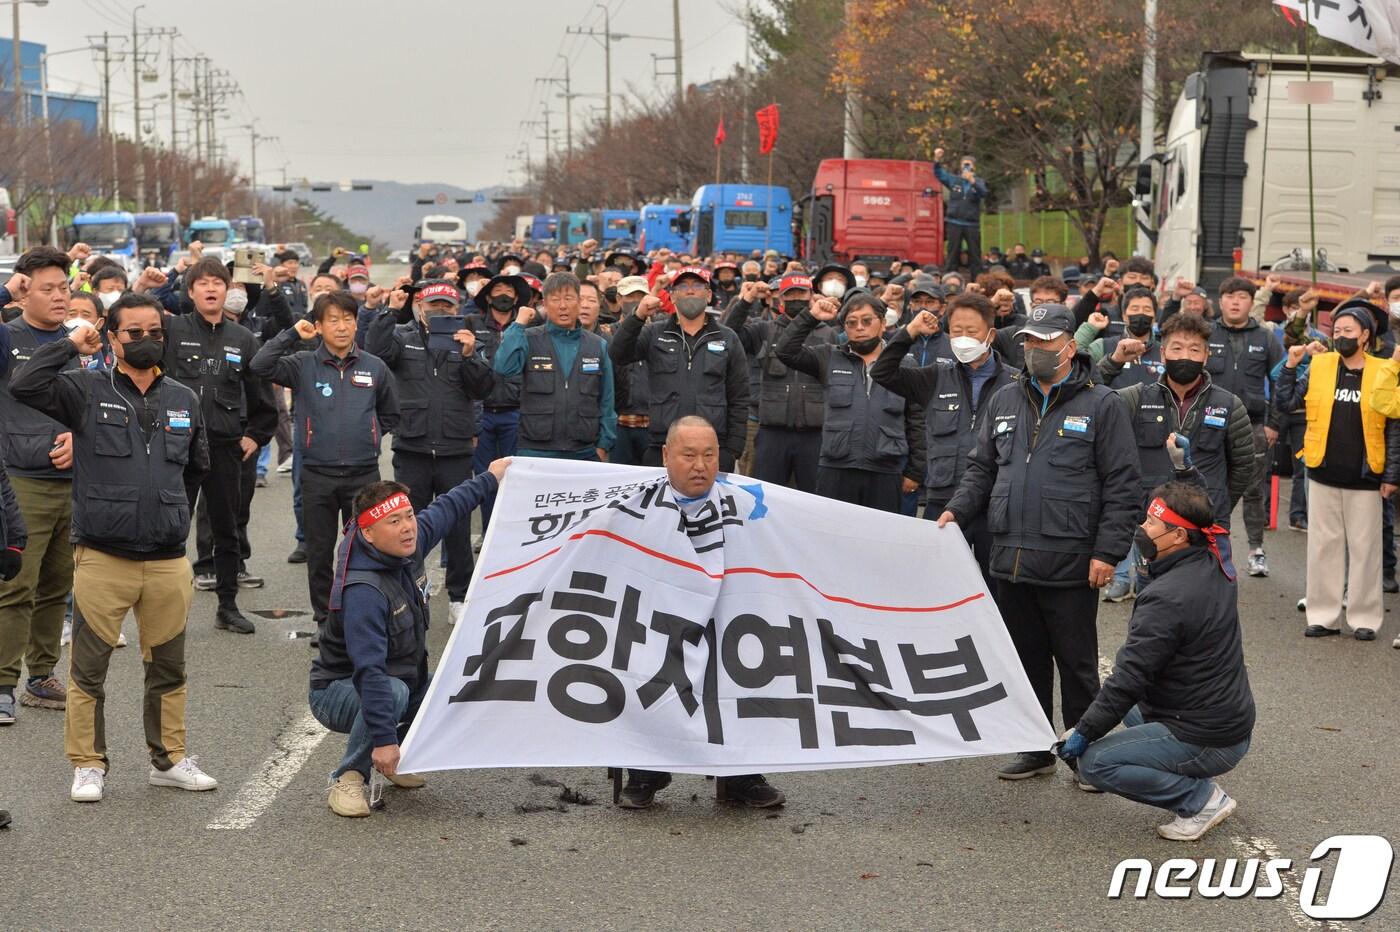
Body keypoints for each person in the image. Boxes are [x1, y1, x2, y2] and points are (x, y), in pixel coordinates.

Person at [11, 293, 218, 802]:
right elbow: (24, 384)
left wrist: (170, 516)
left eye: (154, 332)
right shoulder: (83, 389)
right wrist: (67, 344)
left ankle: (168, 759)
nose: (146, 340)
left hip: (168, 560)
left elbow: (196, 466)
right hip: (104, 557)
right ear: (112, 337)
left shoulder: (183, 399)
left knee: (169, 666)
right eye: (133, 333)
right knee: (89, 668)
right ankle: (88, 764)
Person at [938, 303, 1140, 781]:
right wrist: (957, 510)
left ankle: (1087, 753)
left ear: (1070, 345)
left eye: (1045, 341)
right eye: (1028, 341)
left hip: (1071, 557)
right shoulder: (1006, 399)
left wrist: (1107, 552)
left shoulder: (1102, 404)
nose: (1034, 350)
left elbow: (1123, 486)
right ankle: (1034, 746)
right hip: (1010, 555)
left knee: (1076, 664)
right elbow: (981, 469)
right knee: (1024, 659)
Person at [310, 457, 511, 817]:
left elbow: (449, 506)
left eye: (408, 517)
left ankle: (400, 759)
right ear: (368, 533)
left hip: (399, 678)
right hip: (337, 690)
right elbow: (369, 673)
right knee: (392, 692)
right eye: (394, 521)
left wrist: (492, 477)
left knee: (458, 686)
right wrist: (385, 740)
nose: (408, 528)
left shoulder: (406, 544)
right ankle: (350, 776)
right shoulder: (363, 591)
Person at [1058, 478, 1254, 842]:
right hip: (1226, 720)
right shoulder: (1216, 556)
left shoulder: (1167, 598)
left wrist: (1084, 733)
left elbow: (1129, 679)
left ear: (1179, 537)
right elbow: (1208, 509)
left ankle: (1201, 799)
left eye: (1152, 523)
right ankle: (1182, 767)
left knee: (1095, 764)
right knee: (1127, 707)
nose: (1142, 529)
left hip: (1210, 736)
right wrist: (1187, 469)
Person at [619, 416, 784, 810]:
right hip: (658, 622)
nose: (700, 465)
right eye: (689, 455)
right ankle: (646, 771)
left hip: (727, 619)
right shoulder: (634, 502)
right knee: (638, 655)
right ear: (665, 456)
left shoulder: (747, 502)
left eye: (710, 455)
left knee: (745, 657)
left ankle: (741, 773)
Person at [251, 292, 400, 631]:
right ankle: (325, 621)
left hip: (364, 476)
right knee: (319, 555)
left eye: (348, 318)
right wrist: (291, 333)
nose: (342, 326)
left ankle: (362, 617)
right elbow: (259, 365)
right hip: (317, 474)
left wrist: (370, 433)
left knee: (364, 550)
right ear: (318, 326)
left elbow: (390, 413)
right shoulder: (302, 364)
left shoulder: (374, 367)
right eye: (333, 320)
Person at [366, 279, 494, 627]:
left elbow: (484, 387)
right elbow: (375, 350)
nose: (440, 311)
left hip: (454, 446)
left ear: (457, 310)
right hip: (413, 445)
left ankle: (458, 595)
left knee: (456, 528)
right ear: (419, 307)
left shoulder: (469, 338)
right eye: (433, 305)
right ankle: (406, 593)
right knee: (408, 529)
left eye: (447, 307)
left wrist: (471, 356)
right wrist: (391, 311)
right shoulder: (401, 336)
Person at [1101, 311, 1255, 601]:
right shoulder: (1137, 397)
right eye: (1177, 348)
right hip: (1155, 528)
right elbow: (1089, 394)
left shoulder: (1229, 405)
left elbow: (1244, 466)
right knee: (1151, 608)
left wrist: (1214, 504)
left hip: (1207, 530)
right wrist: (1114, 362)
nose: (1185, 355)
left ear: (1206, 356)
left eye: (1194, 349)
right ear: (1162, 353)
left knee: (1206, 607)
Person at [163, 257, 277, 635]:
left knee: (227, 528)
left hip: (226, 446)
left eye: (218, 282)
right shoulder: (172, 330)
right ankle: (166, 611)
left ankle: (227, 606)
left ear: (228, 290)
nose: (211, 288)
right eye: (203, 283)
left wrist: (255, 436)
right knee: (170, 527)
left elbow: (263, 398)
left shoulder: (243, 339)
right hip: (177, 445)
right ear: (191, 290)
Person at [1279, 303, 1400, 641]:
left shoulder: (1384, 369)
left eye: (1349, 331)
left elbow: (1393, 426)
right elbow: (1287, 403)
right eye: (1336, 331)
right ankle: (1324, 615)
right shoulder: (1319, 365)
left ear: (1366, 335)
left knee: (1366, 550)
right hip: (1322, 471)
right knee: (1322, 548)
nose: (1341, 336)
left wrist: (1391, 475)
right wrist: (1290, 365)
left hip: (1366, 476)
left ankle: (1364, 617)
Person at [871, 292, 1013, 571]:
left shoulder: (1015, 382)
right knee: (935, 582)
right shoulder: (935, 377)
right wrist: (909, 331)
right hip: (942, 497)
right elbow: (883, 373)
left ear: (991, 334)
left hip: (994, 503)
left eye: (972, 331)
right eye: (956, 331)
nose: (963, 337)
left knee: (997, 587)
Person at [0, 247, 77, 721]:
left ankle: (41, 674)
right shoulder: (8, 339)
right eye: (47, 288)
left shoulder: (81, 342)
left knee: (56, 585)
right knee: (15, 586)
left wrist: (81, 440)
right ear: (25, 290)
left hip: (74, 483)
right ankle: (3, 683)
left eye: (64, 287)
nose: (59, 296)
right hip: (21, 479)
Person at [775, 293, 923, 512]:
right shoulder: (829, 357)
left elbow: (918, 421)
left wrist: (915, 471)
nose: (859, 327)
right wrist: (812, 316)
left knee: (879, 538)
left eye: (866, 321)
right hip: (836, 468)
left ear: (883, 323)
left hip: (886, 469)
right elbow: (785, 351)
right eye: (851, 323)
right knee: (833, 538)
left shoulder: (905, 364)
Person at [609, 266, 750, 469]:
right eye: (683, 286)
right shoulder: (654, 333)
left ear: (709, 295)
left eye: (698, 285)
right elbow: (618, 354)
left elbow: (739, 396)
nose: (690, 291)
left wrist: (733, 451)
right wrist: (637, 317)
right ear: (673, 297)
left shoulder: (728, 338)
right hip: (662, 446)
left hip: (712, 449)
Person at [723, 272, 830, 492]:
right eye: (790, 295)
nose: (795, 299)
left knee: (815, 499)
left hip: (815, 434)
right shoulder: (765, 329)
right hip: (773, 432)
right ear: (780, 299)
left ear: (812, 296)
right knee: (765, 497)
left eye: (801, 293)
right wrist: (746, 301)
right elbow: (728, 336)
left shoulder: (829, 332)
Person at [492, 271, 616, 461]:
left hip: (584, 450)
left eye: (569, 298)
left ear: (579, 301)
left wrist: (603, 445)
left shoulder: (597, 345)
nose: (563, 306)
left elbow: (607, 400)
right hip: (535, 449)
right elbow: (504, 367)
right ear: (545, 304)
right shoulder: (528, 338)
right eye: (555, 299)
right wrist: (518, 324)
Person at [1208, 277, 1283, 577]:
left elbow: (1282, 380)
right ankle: (1207, 546)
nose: (1235, 302)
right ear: (1220, 301)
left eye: (1241, 296)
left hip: (1253, 425)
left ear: (1252, 302)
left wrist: (1274, 424)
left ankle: (1256, 550)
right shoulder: (1207, 332)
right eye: (1229, 296)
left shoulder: (1265, 338)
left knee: (1253, 490)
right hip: (1212, 422)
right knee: (1208, 487)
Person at [464, 272, 530, 528]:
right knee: (485, 478)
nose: (504, 295)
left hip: (516, 412)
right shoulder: (472, 321)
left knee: (516, 477)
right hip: (483, 412)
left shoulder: (527, 326)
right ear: (488, 296)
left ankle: (510, 531)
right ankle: (488, 530)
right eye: (497, 290)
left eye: (509, 291)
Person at [610, 276, 654, 466]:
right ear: (619, 299)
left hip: (653, 427)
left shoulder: (660, 334)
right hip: (619, 425)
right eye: (630, 296)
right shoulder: (608, 334)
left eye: (640, 296)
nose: (636, 301)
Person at [933, 147, 988, 277]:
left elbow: (984, 193)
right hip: (954, 222)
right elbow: (939, 173)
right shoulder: (954, 180)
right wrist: (937, 159)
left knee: (975, 254)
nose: (966, 168)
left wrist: (972, 181)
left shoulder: (979, 182)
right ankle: (951, 282)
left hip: (971, 224)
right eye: (964, 165)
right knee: (953, 253)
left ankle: (977, 282)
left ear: (974, 167)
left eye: (969, 165)